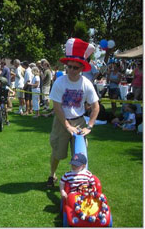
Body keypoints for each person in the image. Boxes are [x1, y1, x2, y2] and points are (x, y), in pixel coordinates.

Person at [47, 38, 99, 188]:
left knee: (80, 155)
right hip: (61, 121)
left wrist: (89, 126)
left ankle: (79, 183)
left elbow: (96, 107)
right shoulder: (59, 82)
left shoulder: (86, 84)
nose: (71, 70)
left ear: (82, 68)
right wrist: (67, 126)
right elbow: (56, 107)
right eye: (69, 66)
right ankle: (52, 175)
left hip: (79, 121)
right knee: (58, 153)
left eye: (75, 68)